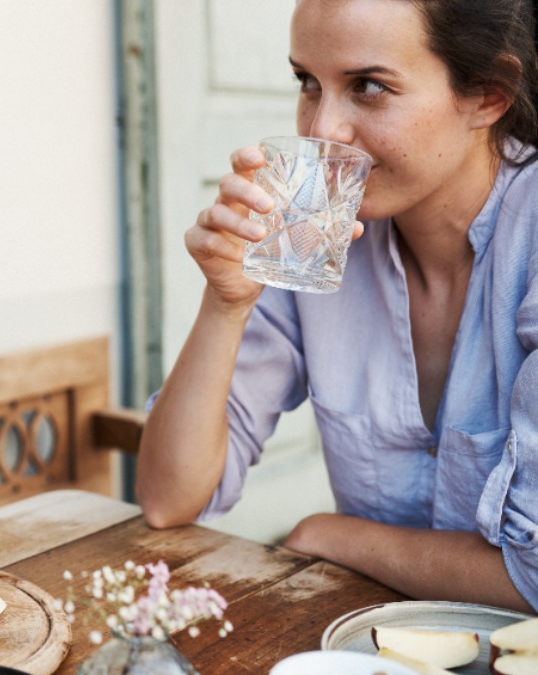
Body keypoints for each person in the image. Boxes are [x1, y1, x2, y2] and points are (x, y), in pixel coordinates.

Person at [137, 0, 538, 613]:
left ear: (488, 95)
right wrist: (226, 304)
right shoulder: (313, 235)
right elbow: (170, 499)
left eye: (369, 87)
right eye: (308, 83)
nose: (322, 131)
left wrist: (328, 535)